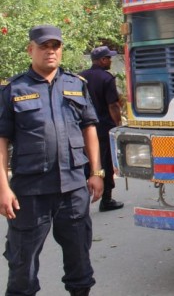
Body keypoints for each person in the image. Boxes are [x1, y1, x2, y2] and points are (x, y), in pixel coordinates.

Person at [0, 25, 104, 296]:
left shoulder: (76, 85)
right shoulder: (13, 89)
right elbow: (1, 140)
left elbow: (90, 128)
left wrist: (97, 172)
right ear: (30, 49)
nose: (50, 51)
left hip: (73, 190)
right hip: (30, 193)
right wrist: (3, 188)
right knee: (23, 266)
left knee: (80, 262)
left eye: (55, 46)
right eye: (44, 46)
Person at [80, 46, 124, 212]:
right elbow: (112, 105)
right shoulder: (106, 78)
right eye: (108, 58)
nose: (111, 61)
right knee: (105, 161)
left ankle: (81, 200)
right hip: (103, 126)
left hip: (84, 128)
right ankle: (107, 199)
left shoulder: (80, 77)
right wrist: (118, 124)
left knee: (85, 162)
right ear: (102, 60)